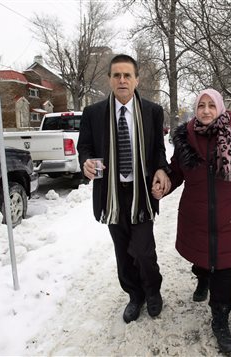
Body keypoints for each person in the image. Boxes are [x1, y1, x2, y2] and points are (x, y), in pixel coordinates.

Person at [154, 89, 231, 353]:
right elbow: (177, 172)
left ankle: (220, 319)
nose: (205, 111)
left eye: (210, 106)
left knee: (223, 270)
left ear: (220, 108)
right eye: (200, 106)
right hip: (197, 217)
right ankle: (202, 278)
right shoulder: (186, 139)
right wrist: (164, 184)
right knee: (203, 260)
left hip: (230, 219)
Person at [77, 54, 171, 324]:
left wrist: (162, 169)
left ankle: (153, 292)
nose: (122, 80)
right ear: (109, 80)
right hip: (111, 194)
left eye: (127, 75)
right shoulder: (93, 113)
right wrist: (85, 162)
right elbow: (85, 147)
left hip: (141, 191)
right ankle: (135, 295)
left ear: (136, 79)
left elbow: (158, 150)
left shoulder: (152, 111)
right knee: (122, 250)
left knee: (143, 249)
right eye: (116, 75)